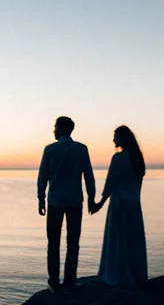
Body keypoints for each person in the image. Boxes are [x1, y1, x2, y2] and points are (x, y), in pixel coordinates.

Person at [37, 116, 96, 290]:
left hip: (55, 201)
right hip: (75, 201)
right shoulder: (81, 149)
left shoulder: (49, 150)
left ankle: (54, 281)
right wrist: (91, 198)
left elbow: (43, 176)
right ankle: (69, 280)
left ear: (62, 129)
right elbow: (89, 176)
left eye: (55, 127)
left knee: (53, 243)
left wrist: (41, 198)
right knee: (73, 242)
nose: (53, 130)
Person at [91, 125, 148, 286]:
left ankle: (117, 273)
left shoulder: (118, 158)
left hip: (119, 203)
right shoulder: (138, 157)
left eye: (115, 136)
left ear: (122, 138)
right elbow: (138, 183)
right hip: (134, 203)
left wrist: (99, 204)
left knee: (118, 239)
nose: (113, 140)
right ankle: (136, 274)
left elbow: (110, 184)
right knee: (133, 239)